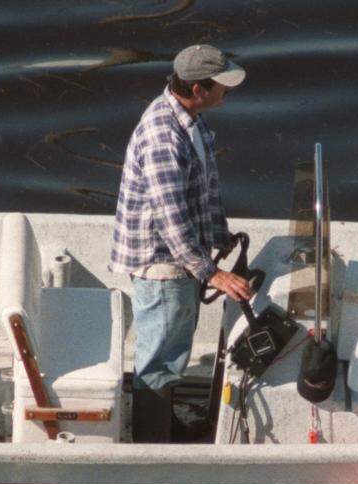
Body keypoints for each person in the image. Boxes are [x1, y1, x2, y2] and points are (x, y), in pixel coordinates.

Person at [109, 44, 255, 442]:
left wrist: (218, 235)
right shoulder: (163, 137)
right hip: (162, 267)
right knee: (159, 361)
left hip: (182, 260)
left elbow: (203, 190)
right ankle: (152, 444)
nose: (228, 91)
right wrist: (213, 274)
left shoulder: (193, 119)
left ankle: (163, 425)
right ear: (196, 88)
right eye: (221, 85)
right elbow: (170, 219)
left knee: (174, 350)